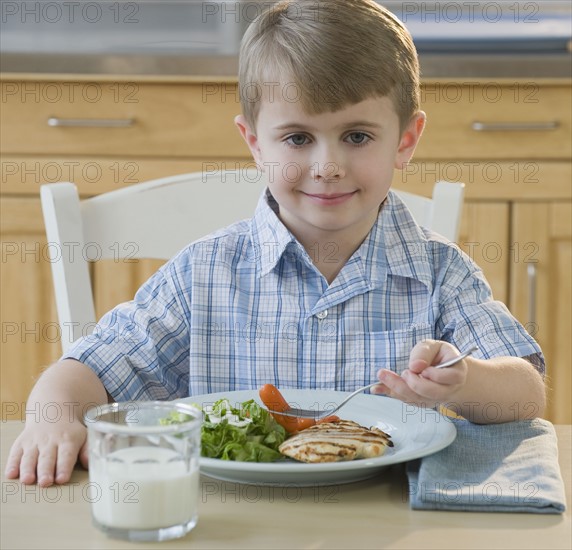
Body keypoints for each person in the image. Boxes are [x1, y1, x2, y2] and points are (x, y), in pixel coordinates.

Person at [6, 0, 545, 487]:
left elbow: (525, 393)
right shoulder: (204, 273)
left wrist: (462, 381)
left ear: (405, 141)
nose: (327, 167)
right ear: (253, 143)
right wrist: (49, 416)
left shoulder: (440, 272)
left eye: (357, 136)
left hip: (388, 520)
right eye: (297, 139)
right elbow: (89, 370)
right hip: (222, 524)